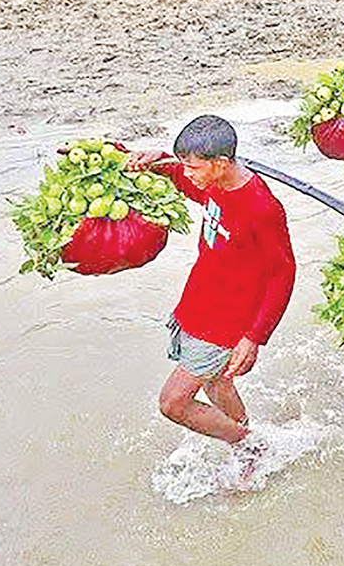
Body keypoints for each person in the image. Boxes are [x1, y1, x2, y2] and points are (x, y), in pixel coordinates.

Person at [127, 115, 296, 472]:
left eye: (193, 167)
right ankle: (249, 445)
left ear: (220, 164)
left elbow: (283, 275)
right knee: (218, 385)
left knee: (173, 403)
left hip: (225, 323)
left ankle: (247, 443)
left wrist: (254, 337)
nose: (187, 173)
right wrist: (150, 161)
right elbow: (181, 180)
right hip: (198, 304)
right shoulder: (213, 182)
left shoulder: (262, 208)